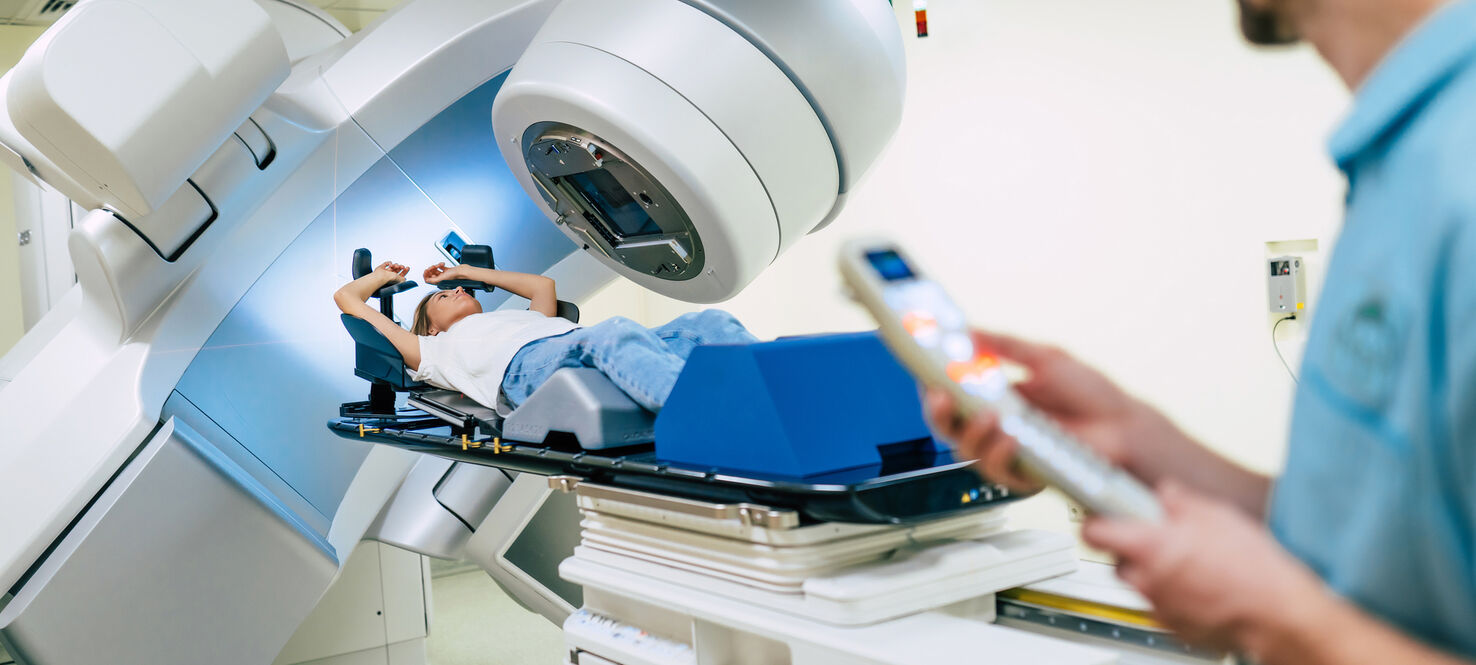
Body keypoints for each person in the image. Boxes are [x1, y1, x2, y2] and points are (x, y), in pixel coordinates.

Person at [928, 1, 1476, 663]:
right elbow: (1377, 552)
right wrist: (1136, 440)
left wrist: (1275, 620)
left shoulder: (1459, 171)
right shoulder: (1407, 155)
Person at [334, 260, 755, 413]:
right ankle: (705, 417)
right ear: (430, 325)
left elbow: (543, 286)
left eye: (458, 288)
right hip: (525, 369)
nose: (458, 289)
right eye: (445, 295)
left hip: (580, 343)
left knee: (707, 324)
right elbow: (347, 298)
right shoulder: (430, 349)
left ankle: (774, 392)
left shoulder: (519, 318)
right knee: (614, 332)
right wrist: (380, 276)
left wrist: (463, 271)